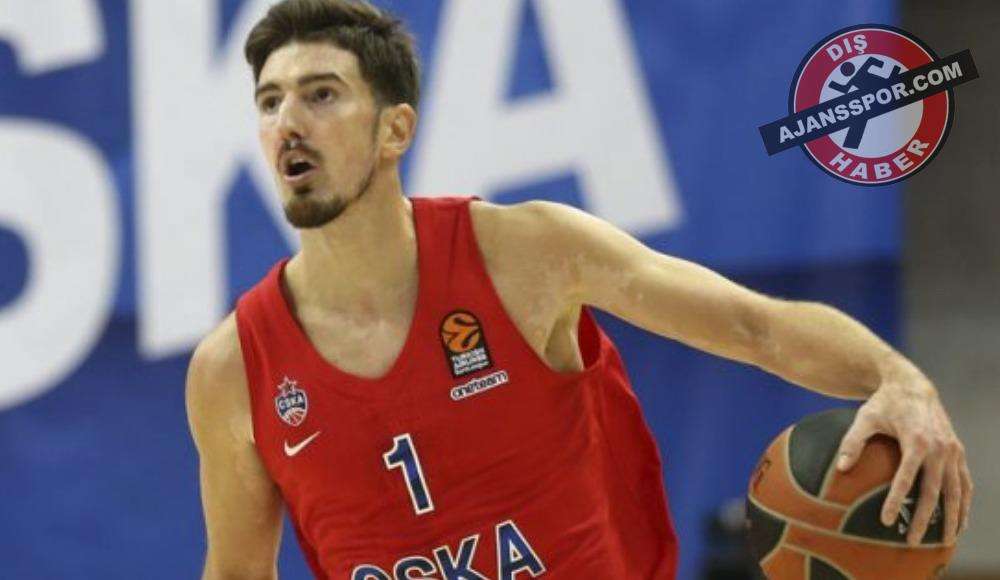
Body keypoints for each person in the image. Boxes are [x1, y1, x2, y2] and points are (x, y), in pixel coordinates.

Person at [185, 1, 973, 578]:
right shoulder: (232, 370)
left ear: (394, 129)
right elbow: (239, 572)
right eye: (269, 101)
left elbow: (755, 327)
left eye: (321, 94)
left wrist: (897, 378)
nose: (288, 121)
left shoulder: (526, 255)